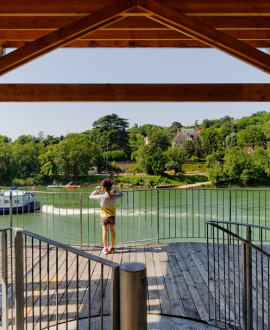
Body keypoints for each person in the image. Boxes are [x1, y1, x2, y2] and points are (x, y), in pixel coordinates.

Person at [90, 179, 123, 255]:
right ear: (111, 188)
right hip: (112, 216)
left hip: (104, 217)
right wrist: (116, 190)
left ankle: (105, 248)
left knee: (105, 232)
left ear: (103, 188)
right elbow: (121, 194)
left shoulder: (100, 196)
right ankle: (111, 247)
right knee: (112, 231)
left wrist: (95, 191)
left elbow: (90, 196)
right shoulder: (113, 196)